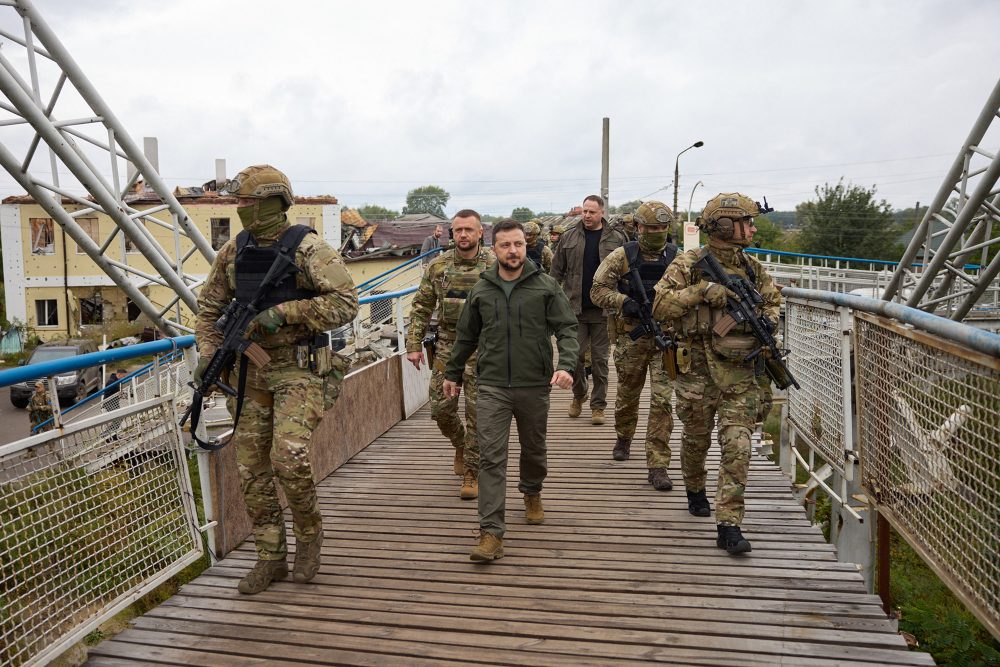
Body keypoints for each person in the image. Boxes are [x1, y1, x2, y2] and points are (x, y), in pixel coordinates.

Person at [196, 164, 359, 593]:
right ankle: (270, 556)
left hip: (299, 369)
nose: (242, 209)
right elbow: (209, 312)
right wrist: (209, 353)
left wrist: (283, 313)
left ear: (272, 202)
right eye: (239, 202)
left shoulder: (308, 249)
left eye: (248, 202)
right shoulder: (234, 252)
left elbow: (346, 303)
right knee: (251, 469)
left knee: (288, 457)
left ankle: (309, 537)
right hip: (251, 372)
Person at [652, 193, 781, 555]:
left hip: (740, 374)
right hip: (698, 373)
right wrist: (701, 291)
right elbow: (660, 305)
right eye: (747, 221)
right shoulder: (690, 264)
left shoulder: (753, 268)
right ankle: (695, 488)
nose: (753, 228)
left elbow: (773, 301)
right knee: (696, 441)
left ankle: (729, 525)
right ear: (726, 225)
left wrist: (767, 319)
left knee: (738, 447)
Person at [443, 219, 578, 562]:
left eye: (518, 244)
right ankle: (490, 533)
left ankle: (532, 491)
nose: (513, 251)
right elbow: (466, 336)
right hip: (491, 386)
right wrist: (452, 373)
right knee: (491, 457)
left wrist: (566, 366)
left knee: (534, 449)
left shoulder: (545, 286)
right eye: (505, 245)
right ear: (494, 249)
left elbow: (567, 329)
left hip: (534, 384)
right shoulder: (482, 290)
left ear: (525, 246)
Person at [405, 209, 494, 499]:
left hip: (484, 349)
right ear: (452, 233)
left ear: (481, 232)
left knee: (478, 415)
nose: (464, 235)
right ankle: (461, 443)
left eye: (469, 229)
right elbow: (421, 307)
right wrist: (414, 345)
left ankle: (471, 471)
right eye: (458, 230)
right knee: (440, 411)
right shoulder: (438, 267)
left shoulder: (495, 265)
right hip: (448, 347)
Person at [590, 201, 679, 489]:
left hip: (666, 339)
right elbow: (597, 289)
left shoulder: (678, 258)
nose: (658, 232)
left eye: (663, 228)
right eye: (652, 227)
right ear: (639, 227)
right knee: (628, 395)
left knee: (663, 401)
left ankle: (657, 465)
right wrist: (622, 302)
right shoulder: (622, 256)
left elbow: (694, 290)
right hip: (632, 338)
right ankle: (623, 436)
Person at [550, 195, 627, 425]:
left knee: (601, 362)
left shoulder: (616, 238)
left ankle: (598, 406)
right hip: (574, 309)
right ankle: (579, 393)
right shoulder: (569, 236)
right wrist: (552, 299)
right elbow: (556, 271)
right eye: (584, 211)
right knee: (573, 358)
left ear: (602, 212)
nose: (586, 215)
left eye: (592, 212)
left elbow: (626, 274)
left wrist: (624, 302)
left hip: (604, 311)